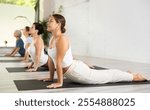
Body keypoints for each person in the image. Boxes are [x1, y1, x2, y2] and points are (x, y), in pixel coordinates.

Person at [45, 14, 147, 88]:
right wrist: (50, 78)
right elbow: (51, 60)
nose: (48, 22)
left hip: (78, 72)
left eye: (51, 21)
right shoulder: (52, 39)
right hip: (74, 69)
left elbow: (58, 62)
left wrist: (59, 82)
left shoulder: (62, 39)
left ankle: (134, 76)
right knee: (105, 74)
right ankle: (126, 74)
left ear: (58, 24)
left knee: (108, 76)